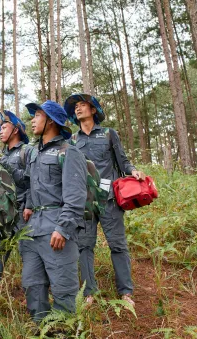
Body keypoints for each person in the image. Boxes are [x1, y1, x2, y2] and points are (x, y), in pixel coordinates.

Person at [63, 93, 146, 307]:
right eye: (76, 107)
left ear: (93, 110)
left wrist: (133, 171)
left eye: (83, 105)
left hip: (109, 199)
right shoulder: (72, 140)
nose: (78, 109)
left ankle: (125, 293)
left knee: (118, 245)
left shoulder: (109, 134)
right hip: (85, 203)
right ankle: (89, 293)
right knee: (84, 246)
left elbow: (123, 160)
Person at [21, 100, 87, 322]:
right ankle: (42, 328)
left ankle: (64, 331)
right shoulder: (33, 154)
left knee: (64, 289)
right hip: (32, 232)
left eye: (38, 115)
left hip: (56, 230)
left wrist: (63, 227)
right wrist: (28, 206)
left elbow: (76, 195)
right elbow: (31, 185)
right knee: (32, 285)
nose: (32, 120)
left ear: (51, 121)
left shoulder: (69, 152)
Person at [0, 110, 32, 284]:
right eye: (0, 128)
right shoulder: (3, 156)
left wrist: (29, 206)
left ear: (16, 129)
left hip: (24, 213)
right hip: (4, 214)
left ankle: (33, 293)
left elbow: (33, 181)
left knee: (29, 256)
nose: (1, 131)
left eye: (5, 127)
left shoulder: (27, 151)